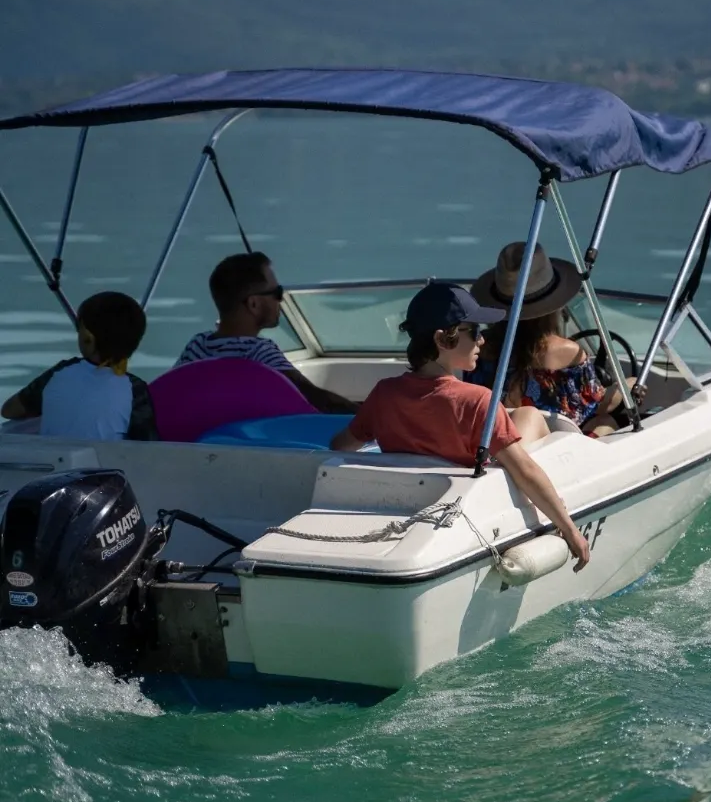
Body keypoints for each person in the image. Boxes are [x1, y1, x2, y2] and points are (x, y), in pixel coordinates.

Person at [330, 282, 590, 569]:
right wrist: (570, 529)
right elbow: (525, 472)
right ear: (443, 339)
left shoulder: (384, 394)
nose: (482, 341)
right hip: (471, 505)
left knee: (525, 414)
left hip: (411, 502)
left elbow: (341, 447)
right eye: (475, 332)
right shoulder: (478, 402)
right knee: (529, 415)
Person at [469, 242, 628, 433]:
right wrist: (628, 387)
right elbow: (595, 405)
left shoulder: (480, 345)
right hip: (549, 446)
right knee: (606, 421)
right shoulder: (568, 352)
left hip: (491, 436)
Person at [176, 251, 352, 413]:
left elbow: (168, 391)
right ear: (254, 304)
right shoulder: (259, 352)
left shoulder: (197, 346)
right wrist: (366, 414)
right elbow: (315, 399)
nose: (281, 299)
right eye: (276, 292)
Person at [1, 292, 157, 440]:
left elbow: (9, 410)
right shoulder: (135, 390)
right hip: (106, 467)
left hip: (53, 464)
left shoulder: (59, 372)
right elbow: (147, 444)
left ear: (88, 340)